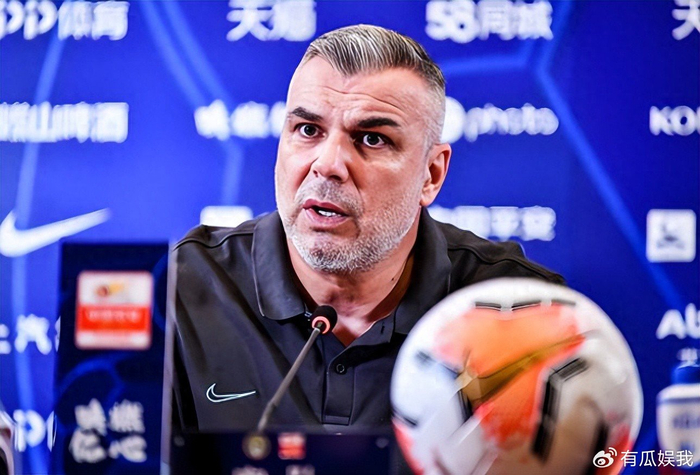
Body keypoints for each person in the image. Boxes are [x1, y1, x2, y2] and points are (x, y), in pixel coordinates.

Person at [171, 24, 564, 433]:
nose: (328, 165)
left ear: (431, 175)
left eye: (372, 139)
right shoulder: (185, 288)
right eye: (308, 130)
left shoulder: (517, 310)